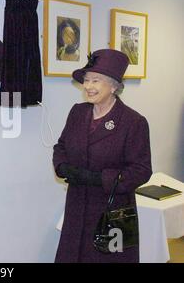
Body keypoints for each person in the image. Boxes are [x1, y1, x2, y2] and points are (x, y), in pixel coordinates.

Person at [53, 49, 152, 263]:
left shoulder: (133, 122)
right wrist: (61, 166)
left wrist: (99, 179)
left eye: (95, 81)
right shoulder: (78, 112)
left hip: (112, 212)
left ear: (114, 86)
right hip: (77, 207)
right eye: (87, 80)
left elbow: (141, 170)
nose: (88, 86)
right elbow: (60, 146)